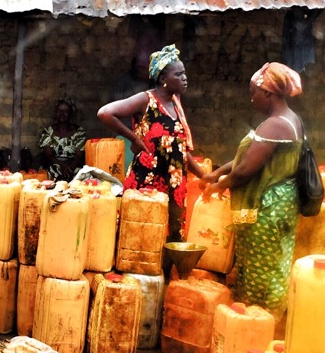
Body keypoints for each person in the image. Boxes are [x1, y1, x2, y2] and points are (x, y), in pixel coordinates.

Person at [203, 63, 304, 326]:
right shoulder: (287, 120)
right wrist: (219, 172)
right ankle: (255, 323)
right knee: (270, 265)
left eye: (254, 92)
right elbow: (250, 158)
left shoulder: (276, 125)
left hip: (268, 207)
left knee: (262, 271)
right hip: (278, 204)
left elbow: (247, 169)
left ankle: (258, 324)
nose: (251, 98)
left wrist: (218, 186)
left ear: (268, 92)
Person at [97, 44, 206, 238]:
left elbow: (179, 147)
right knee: (142, 235)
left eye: (184, 73)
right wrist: (134, 138)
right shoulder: (146, 100)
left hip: (174, 185)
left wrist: (203, 176)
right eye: (178, 75)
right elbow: (105, 113)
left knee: (170, 238)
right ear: (163, 79)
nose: (184, 78)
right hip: (147, 183)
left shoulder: (176, 103)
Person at [38, 97, 86, 182]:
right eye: (59, 110)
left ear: (70, 113)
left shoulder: (79, 132)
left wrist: (70, 168)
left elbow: (79, 156)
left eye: (66, 111)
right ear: (55, 113)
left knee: (83, 175)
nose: (62, 113)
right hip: (54, 166)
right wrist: (63, 167)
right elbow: (49, 156)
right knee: (52, 172)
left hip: (73, 166)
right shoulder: (48, 132)